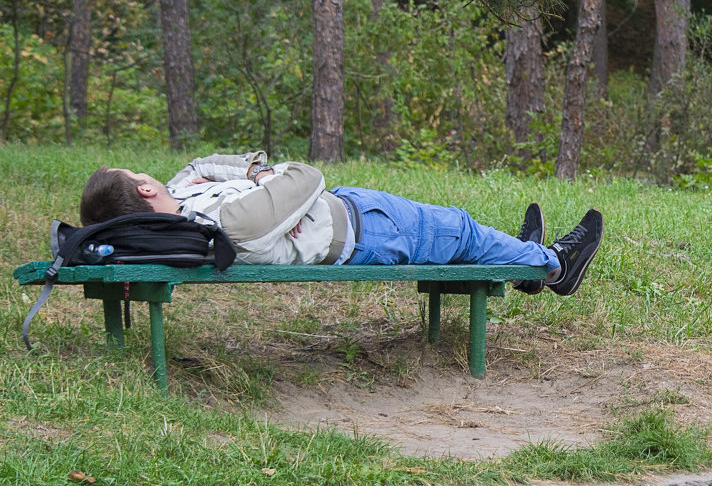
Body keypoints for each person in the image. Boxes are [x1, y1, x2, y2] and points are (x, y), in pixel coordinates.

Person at [78, 152, 602, 296]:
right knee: (459, 231)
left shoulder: (188, 203)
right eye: (140, 173)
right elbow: (305, 175)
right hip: (370, 231)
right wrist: (267, 174)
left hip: (351, 215)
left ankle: (520, 257)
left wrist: (257, 174)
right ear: (147, 191)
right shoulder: (228, 218)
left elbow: (202, 164)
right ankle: (555, 266)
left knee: (463, 234)